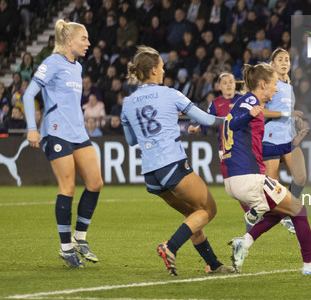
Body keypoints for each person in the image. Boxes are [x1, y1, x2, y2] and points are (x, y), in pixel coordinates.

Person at [121, 46, 235, 276]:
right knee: (208, 210)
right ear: (153, 70)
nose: (164, 72)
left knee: (193, 216)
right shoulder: (170, 93)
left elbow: (132, 140)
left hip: (151, 175)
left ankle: (213, 264)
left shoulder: (128, 102)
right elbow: (204, 118)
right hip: (172, 164)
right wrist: (236, 119)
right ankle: (170, 246)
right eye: (162, 68)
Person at [224, 63, 311, 275]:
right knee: (299, 210)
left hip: (234, 179)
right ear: (262, 84)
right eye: (274, 84)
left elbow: (244, 135)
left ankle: (245, 241)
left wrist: (294, 143)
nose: (277, 89)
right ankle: (310, 266)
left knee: (282, 211)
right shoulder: (250, 102)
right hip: (248, 178)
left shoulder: (246, 103)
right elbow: (233, 124)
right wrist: (248, 115)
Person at [23, 20, 103, 268]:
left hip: (78, 133)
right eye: (84, 38)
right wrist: (32, 129)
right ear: (69, 41)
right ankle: (66, 247)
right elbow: (28, 94)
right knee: (67, 186)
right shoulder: (52, 63)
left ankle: (79, 238)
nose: (88, 43)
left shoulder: (77, 67)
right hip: (56, 132)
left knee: (95, 183)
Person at [187, 73, 250, 226]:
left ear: (235, 84)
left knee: (241, 183)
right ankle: (251, 211)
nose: (228, 85)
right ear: (219, 86)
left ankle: (250, 213)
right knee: (232, 187)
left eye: (231, 82)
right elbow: (207, 120)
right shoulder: (215, 104)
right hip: (225, 148)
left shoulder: (243, 100)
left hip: (243, 147)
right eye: (225, 83)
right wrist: (197, 129)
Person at [260, 48, 308, 234]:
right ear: (272, 64)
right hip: (271, 137)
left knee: (301, 176)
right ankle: (258, 214)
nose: (284, 62)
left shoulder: (289, 88)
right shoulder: (267, 85)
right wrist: (286, 113)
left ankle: (286, 215)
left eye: (287, 59)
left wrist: (295, 121)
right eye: (280, 59)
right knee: (272, 185)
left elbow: (289, 113)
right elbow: (260, 111)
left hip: (288, 138)